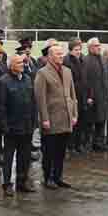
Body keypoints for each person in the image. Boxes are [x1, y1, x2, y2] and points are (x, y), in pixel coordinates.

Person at [35, 42, 77, 189]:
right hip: (51, 119)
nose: (61, 56)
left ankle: (58, 177)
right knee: (49, 151)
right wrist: (44, 119)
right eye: (58, 54)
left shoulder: (67, 71)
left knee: (61, 151)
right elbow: (40, 99)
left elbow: (72, 95)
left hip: (65, 118)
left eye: (62, 53)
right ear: (50, 56)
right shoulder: (42, 73)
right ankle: (48, 178)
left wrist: (74, 114)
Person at [0, 54, 38, 196]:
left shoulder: (27, 79)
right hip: (12, 128)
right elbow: (0, 107)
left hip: (26, 127)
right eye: (19, 62)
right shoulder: (3, 82)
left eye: (23, 62)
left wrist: (34, 122)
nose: (22, 64)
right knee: (8, 158)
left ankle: (22, 181)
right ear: (11, 66)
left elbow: (33, 102)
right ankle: (7, 184)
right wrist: (5, 126)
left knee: (24, 157)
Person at [82, 38, 108, 151]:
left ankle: (99, 142)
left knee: (102, 120)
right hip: (93, 96)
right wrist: (89, 96)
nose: (99, 47)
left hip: (104, 95)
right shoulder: (85, 60)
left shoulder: (103, 60)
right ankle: (87, 143)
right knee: (90, 122)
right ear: (89, 47)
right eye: (96, 45)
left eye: (99, 45)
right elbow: (85, 80)